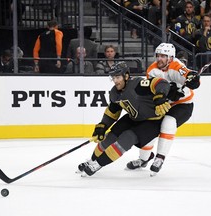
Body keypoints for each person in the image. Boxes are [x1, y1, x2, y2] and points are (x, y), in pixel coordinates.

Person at [77, 61, 172, 176]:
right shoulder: (114, 93)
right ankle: (92, 161)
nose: (115, 80)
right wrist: (103, 125)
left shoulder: (138, 84)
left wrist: (160, 96)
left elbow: (162, 82)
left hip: (151, 121)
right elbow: (112, 112)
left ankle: (97, 164)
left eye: (118, 77)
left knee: (127, 139)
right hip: (133, 118)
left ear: (126, 76)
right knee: (109, 137)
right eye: (113, 77)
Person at [126, 43, 200, 176]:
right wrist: (169, 93)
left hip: (183, 105)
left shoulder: (177, 67)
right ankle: (143, 159)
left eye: (163, 56)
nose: (159, 59)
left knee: (168, 123)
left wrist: (194, 79)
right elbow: (155, 90)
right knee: (148, 129)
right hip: (163, 104)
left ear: (170, 58)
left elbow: (189, 76)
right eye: (158, 55)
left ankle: (159, 158)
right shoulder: (152, 71)